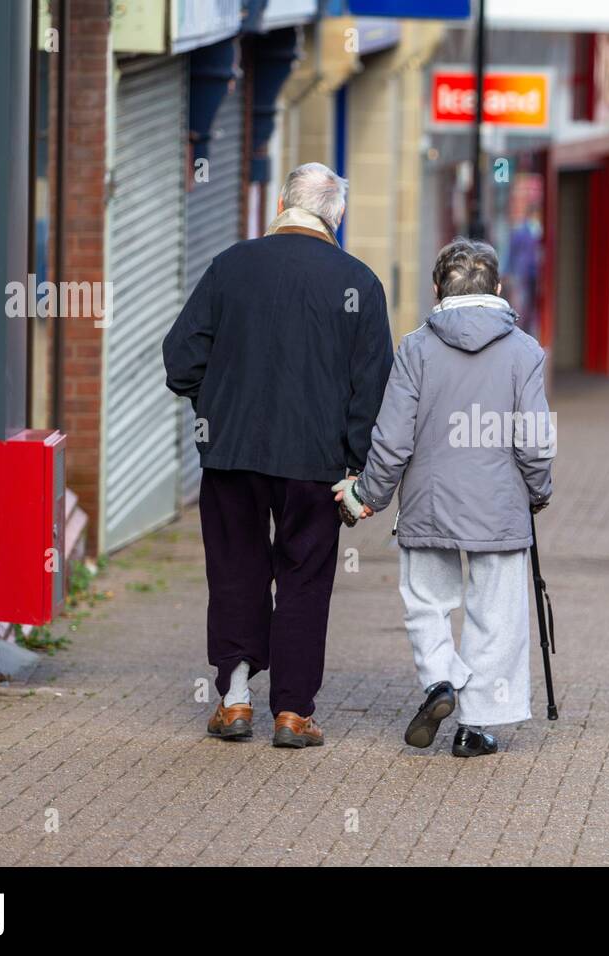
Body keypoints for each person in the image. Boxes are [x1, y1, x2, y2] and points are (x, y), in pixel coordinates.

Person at [163, 163, 394, 747]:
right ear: (334, 218)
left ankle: (235, 699)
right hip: (315, 463)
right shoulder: (359, 282)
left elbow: (180, 359)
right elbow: (373, 389)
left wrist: (214, 402)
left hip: (232, 453)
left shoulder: (231, 265)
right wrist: (356, 468)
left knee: (236, 568)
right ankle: (292, 712)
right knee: (304, 579)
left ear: (283, 205)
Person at [332, 238, 554, 758]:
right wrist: (537, 493)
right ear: (498, 289)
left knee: (426, 601)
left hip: (429, 501)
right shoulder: (524, 351)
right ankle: (475, 727)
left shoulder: (415, 348)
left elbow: (391, 438)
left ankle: (440, 681)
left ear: (436, 290)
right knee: (495, 613)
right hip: (499, 505)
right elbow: (536, 442)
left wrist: (369, 493)